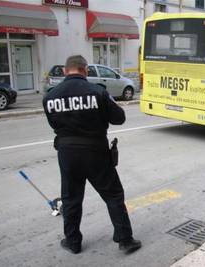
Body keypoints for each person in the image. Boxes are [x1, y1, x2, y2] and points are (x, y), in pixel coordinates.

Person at [43, 55, 141, 255]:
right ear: (85, 70)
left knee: (71, 199)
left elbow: (54, 124)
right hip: (95, 152)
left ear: (65, 71)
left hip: (67, 153)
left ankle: (73, 242)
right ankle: (125, 240)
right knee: (113, 195)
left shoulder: (50, 96)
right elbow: (119, 119)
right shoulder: (98, 92)